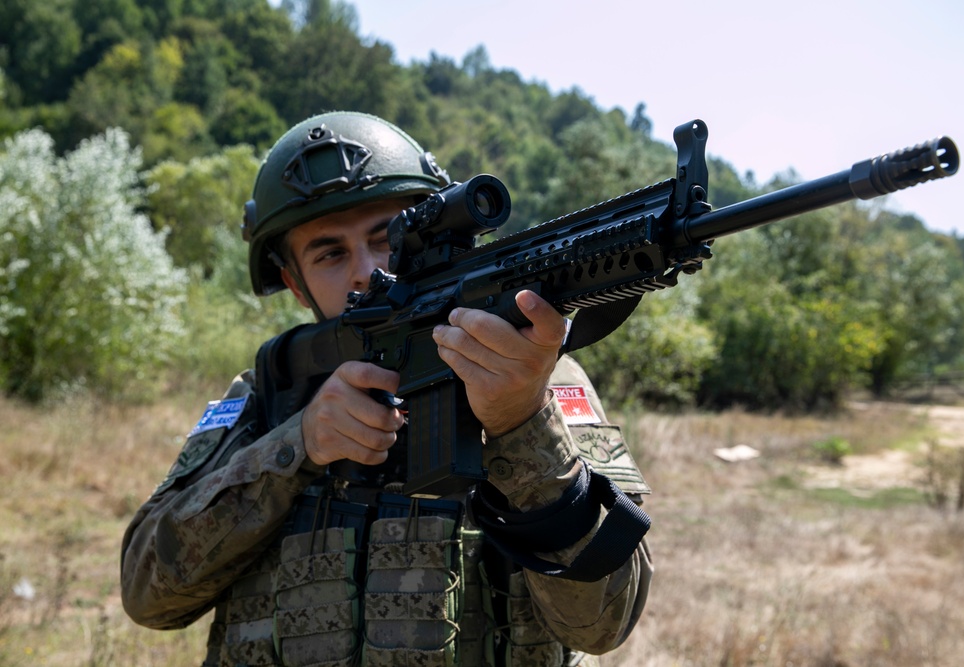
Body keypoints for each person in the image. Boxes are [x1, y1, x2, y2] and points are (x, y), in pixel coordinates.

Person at [121, 111, 653, 667]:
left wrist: (520, 423)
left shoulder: (535, 378)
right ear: (294, 284)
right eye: (330, 253)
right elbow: (146, 594)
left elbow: (604, 624)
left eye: (387, 238)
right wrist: (297, 445)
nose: (368, 270)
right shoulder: (269, 395)